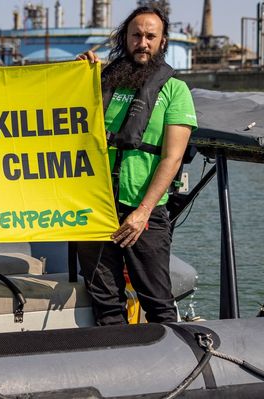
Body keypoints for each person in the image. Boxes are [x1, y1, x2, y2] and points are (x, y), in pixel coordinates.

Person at [73, 6, 196, 325]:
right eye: (136, 35)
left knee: (158, 302)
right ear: (124, 39)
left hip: (143, 212)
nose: (143, 43)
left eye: (150, 36)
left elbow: (172, 157)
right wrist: (75, 76)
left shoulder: (176, 90)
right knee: (105, 304)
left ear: (163, 41)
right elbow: (61, 121)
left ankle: (171, 353)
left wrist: (143, 212)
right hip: (96, 208)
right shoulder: (101, 81)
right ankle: (115, 353)